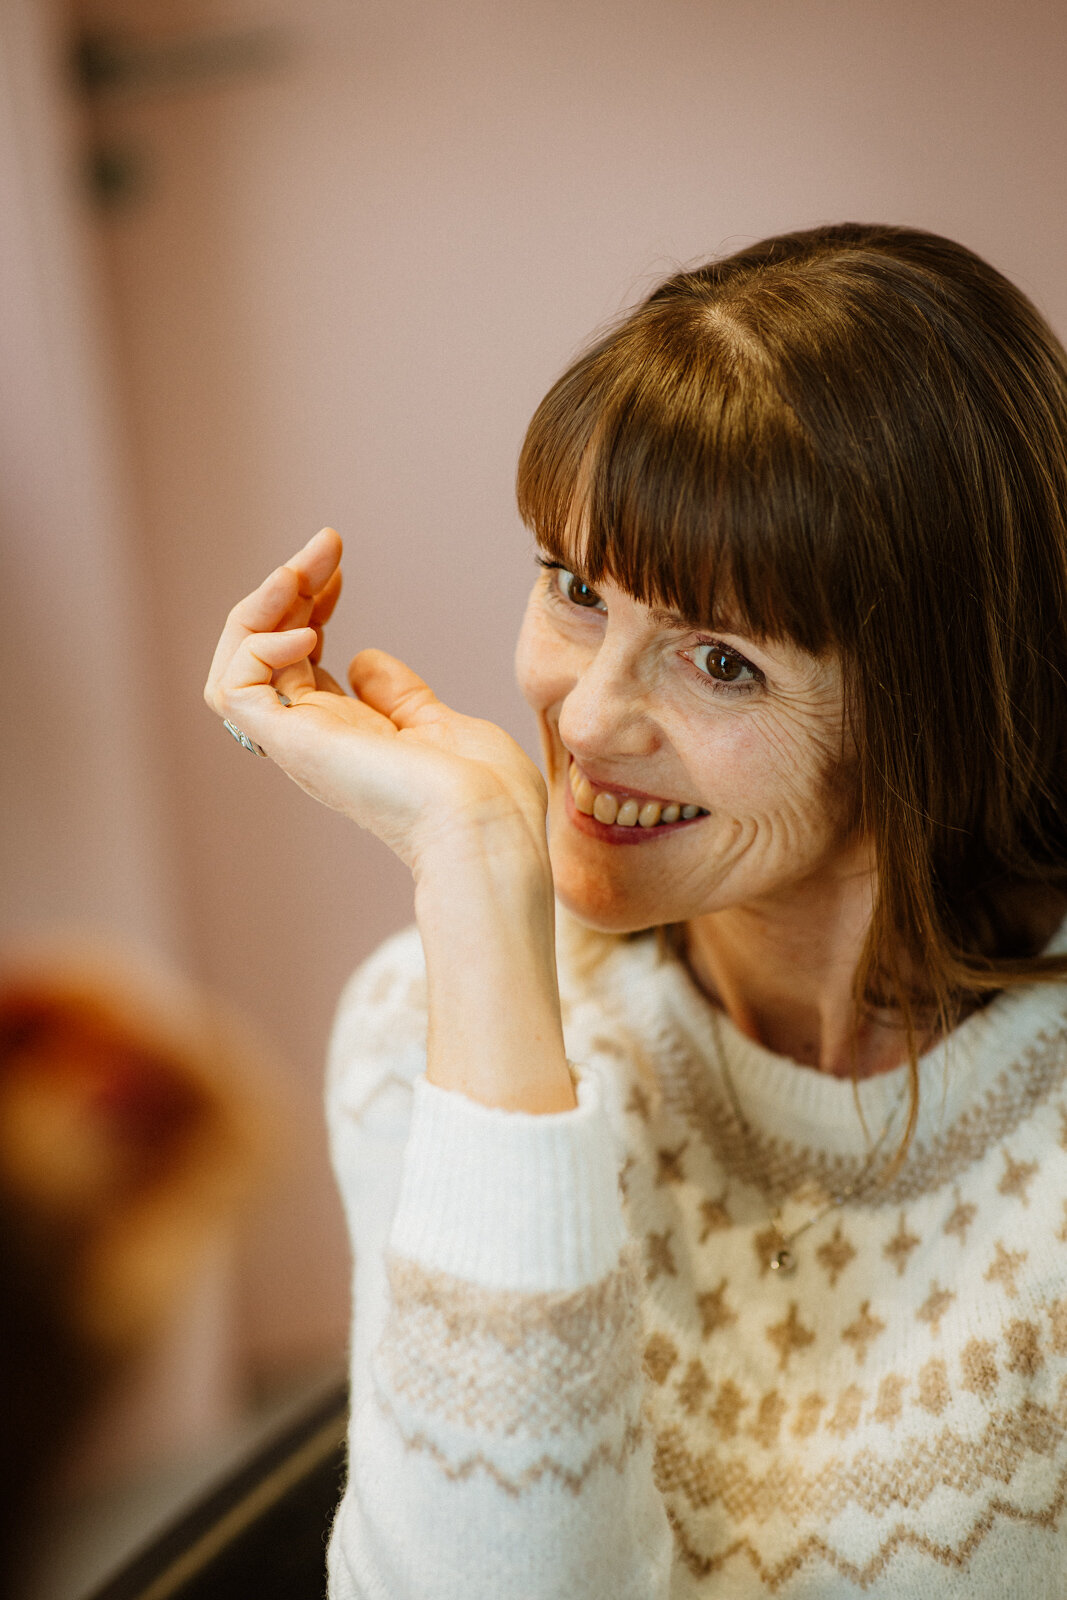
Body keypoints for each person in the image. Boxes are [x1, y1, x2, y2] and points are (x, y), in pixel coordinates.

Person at [205, 223, 1067, 1597]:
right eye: (574, 590)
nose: (588, 717)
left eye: (720, 661)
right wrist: (477, 893)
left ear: (942, 711)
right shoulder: (428, 1017)